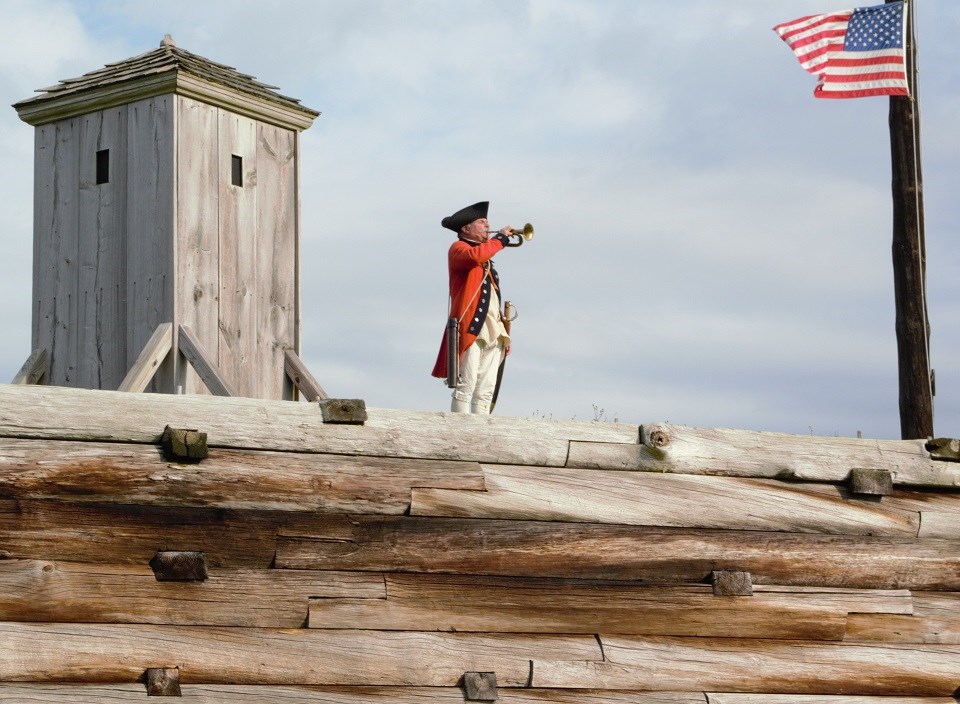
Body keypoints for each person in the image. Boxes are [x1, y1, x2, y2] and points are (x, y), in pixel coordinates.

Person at [431, 201, 515, 413]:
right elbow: (474, 257)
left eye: (487, 222)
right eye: (481, 222)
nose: (487, 225)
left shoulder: (485, 254)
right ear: (466, 229)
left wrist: (504, 331)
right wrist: (501, 239)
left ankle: (482, 434)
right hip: (471, 327)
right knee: (465, 385)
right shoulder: (459, 248)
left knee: (486, 389)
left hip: (492, 329)